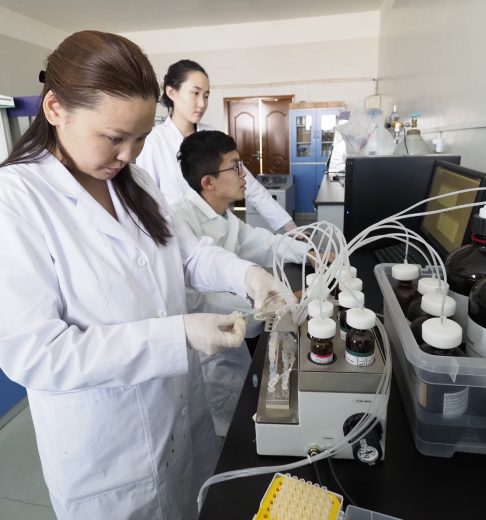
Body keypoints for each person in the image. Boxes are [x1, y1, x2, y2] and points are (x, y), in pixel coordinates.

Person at [0, 31, 286, 520]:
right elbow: (37, 354)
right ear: (55, 108)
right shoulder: (16, 201)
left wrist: (249, 276)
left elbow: (189, 255)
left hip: (180, 417)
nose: (129, 155)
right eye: (114, 138)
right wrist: (176, 335)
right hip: (109, 453)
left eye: (141, 139)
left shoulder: (135, 182)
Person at [174, 130, 311, 437]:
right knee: (227, 431)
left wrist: (310, 253)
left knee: (243, 408)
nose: (243, 174)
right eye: (235, 166)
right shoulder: (181, 220)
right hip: (209, 350)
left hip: (237, 340)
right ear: (208, 182)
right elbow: (200, 301)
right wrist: (278, 300)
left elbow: (264, 242)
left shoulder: (224, 217)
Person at [136, 59, 297, 233]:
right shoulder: (154, 141)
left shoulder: (212, 137)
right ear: (171, 92)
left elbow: (251, 187)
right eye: (195, 93)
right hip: (179, 236)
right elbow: (146, 202)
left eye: (206, 96)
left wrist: (291, 228)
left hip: (222, 232)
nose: (202, 103)